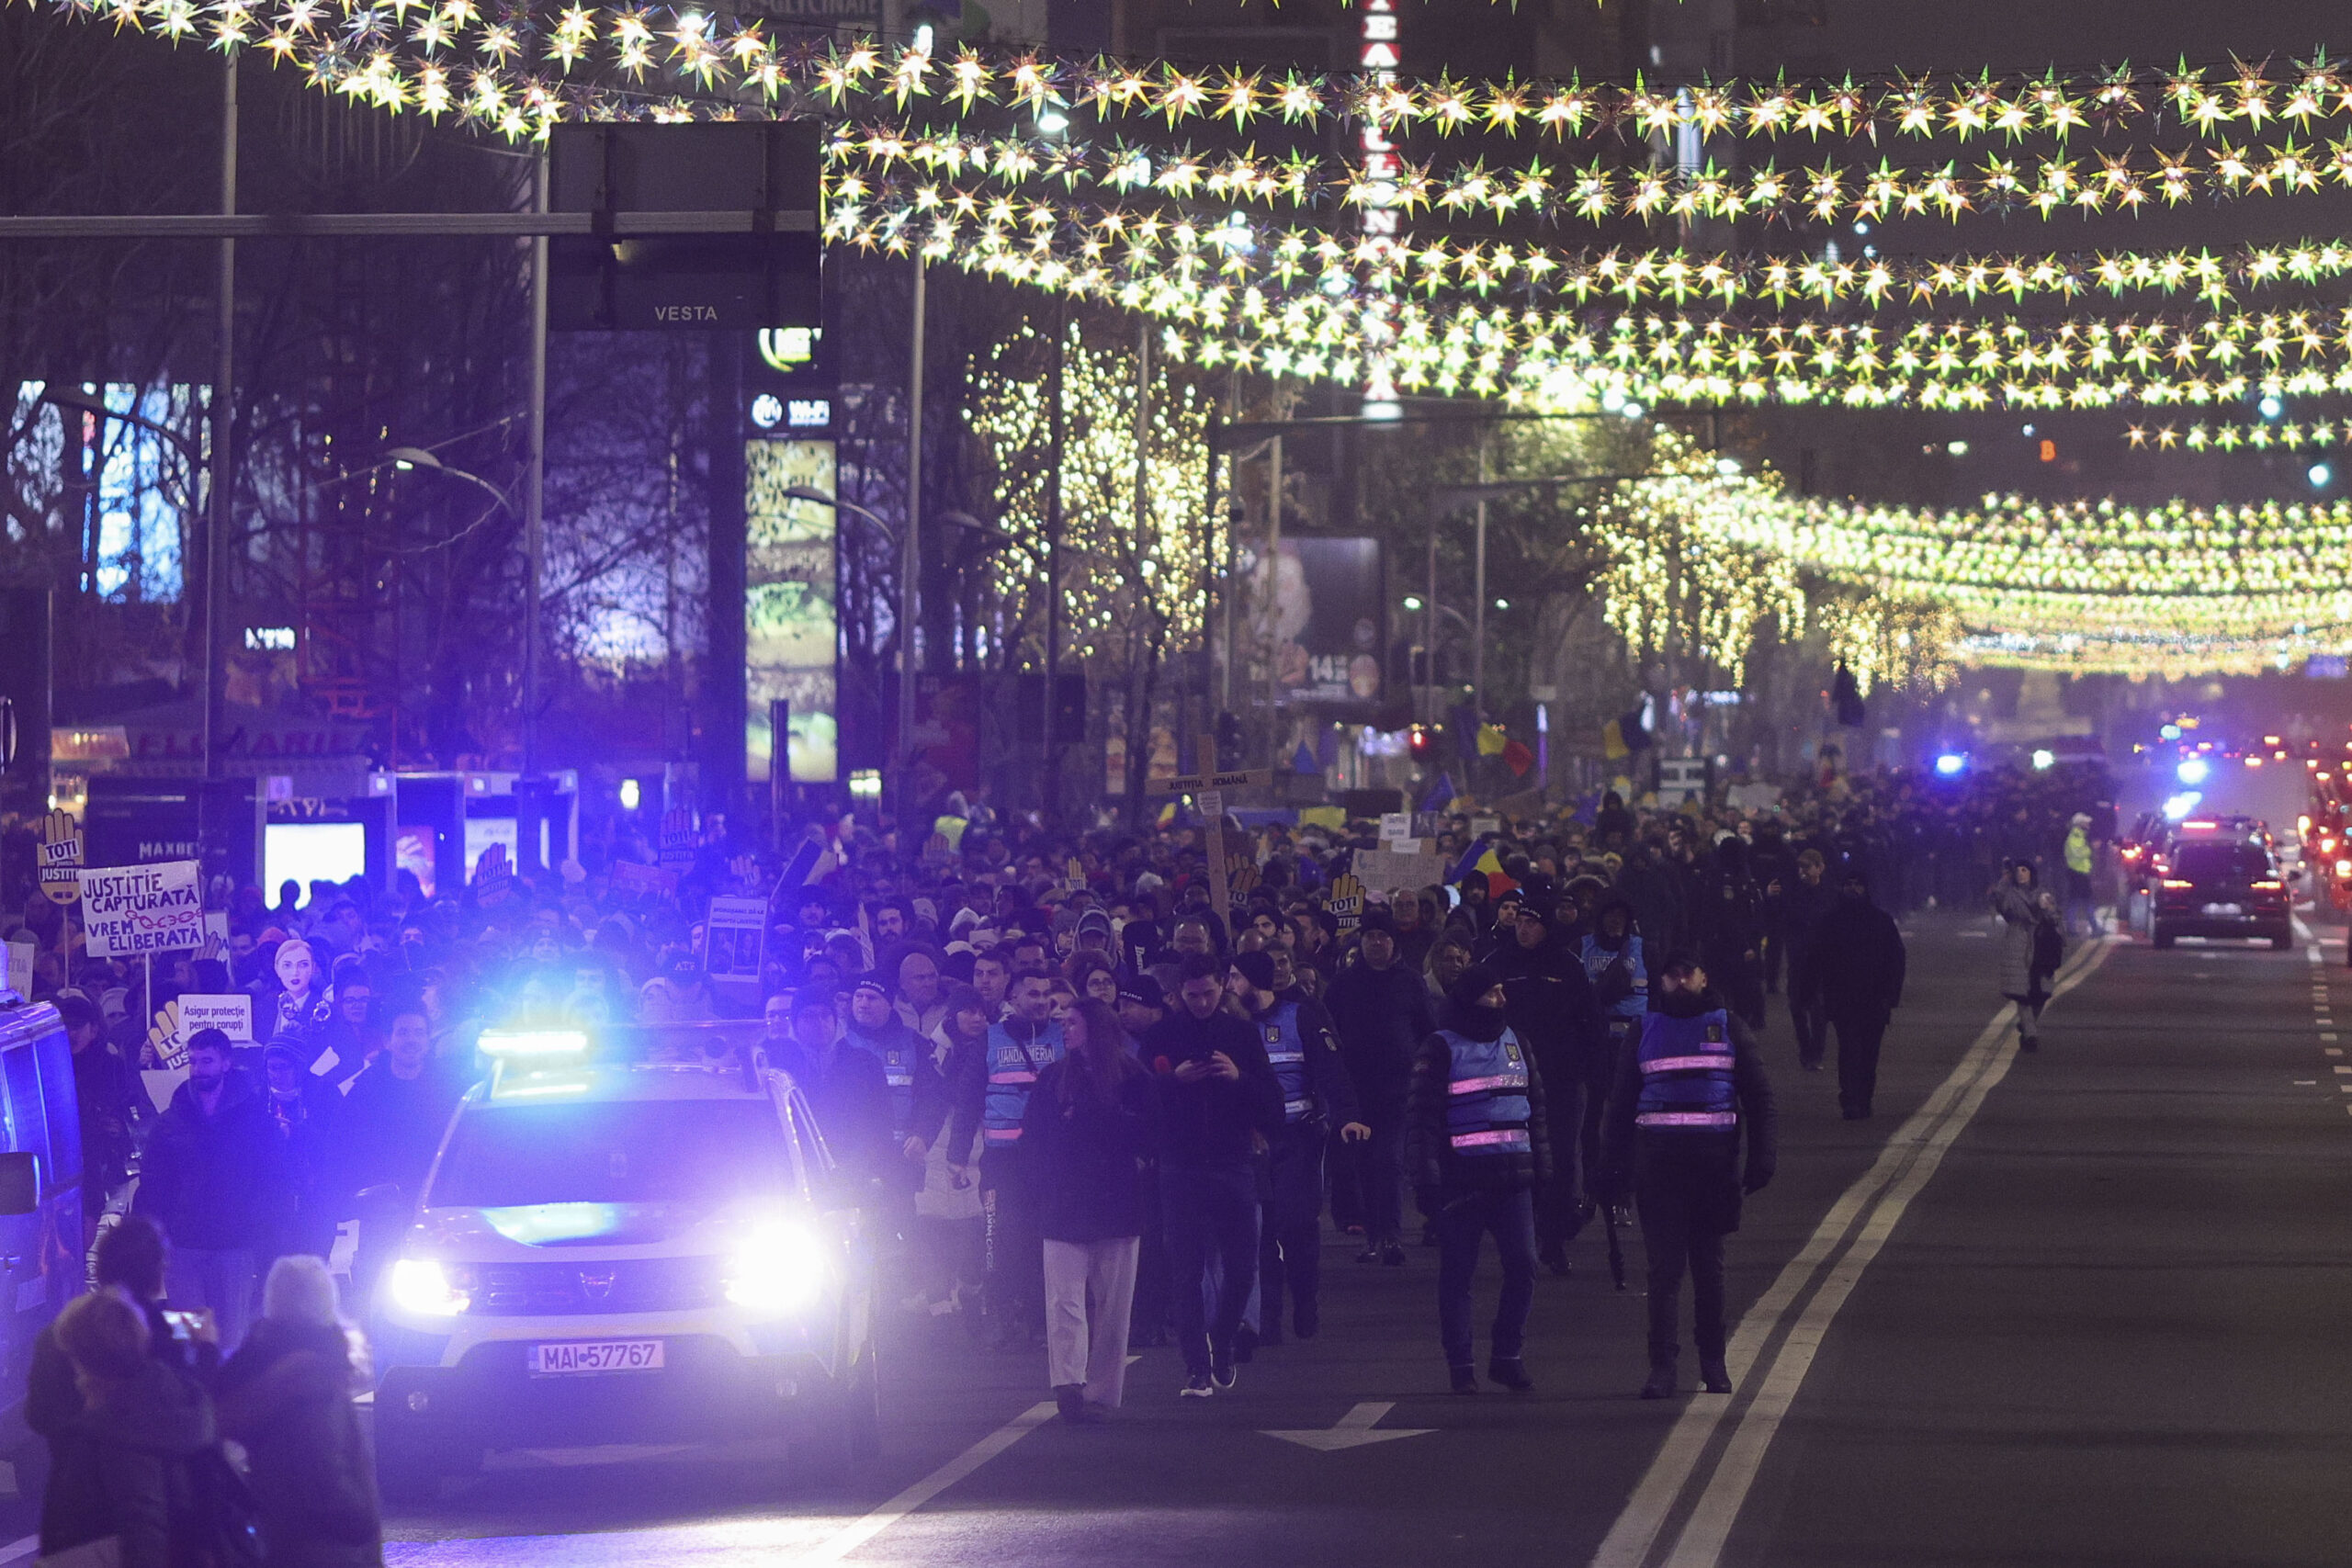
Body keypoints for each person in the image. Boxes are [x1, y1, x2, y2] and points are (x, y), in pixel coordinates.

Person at [1600, 953, 1776, 1400]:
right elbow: (1621, 1105)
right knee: (1664, 1272)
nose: (1680, 981)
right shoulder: (1645, 1030)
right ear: (1662, 981)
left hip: (1712, 1169)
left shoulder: (1729, 1025)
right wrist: (1611, 1168)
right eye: (1672, 974)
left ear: (1703, 976)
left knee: (1708, 1271)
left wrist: (1762, 1157)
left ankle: (1713, 1363)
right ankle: (1662, 1366)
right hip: (1659, 1170)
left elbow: (1758, 1096)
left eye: (1688, 973)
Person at [1405, 964, 1548, 1395]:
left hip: (1512, 1178)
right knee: (1458, 1275)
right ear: (1470, 999)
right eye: (1493, 993)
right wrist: (1427, 1180)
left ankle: (1507, 1357)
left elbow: (1535, 1109)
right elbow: (1421, 1119)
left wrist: (1544, 1169)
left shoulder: (1516, 1042)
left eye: (1502, 991)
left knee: (1524, 1266)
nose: (1502, 1000)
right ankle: (1461, 1365)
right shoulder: (1440, 1048)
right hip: (1462, 1180)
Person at [1141, 953, 1280, 1397]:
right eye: (1192, 995)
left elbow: (1272, 1102)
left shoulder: (1240, 1034)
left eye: (1208, 993)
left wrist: (1238, 1077)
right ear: (1179, 994)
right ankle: (1195, 1366)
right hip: (1180, 1165)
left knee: (1242, 1267)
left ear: (1222, 988)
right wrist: (1172, 1081)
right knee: (1186, 1270)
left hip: (1232, 1162)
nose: (1201, 1002)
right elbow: (1138, 1098)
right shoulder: (1162, 1035)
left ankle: (1222, 1339)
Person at [1020, 998, 1159, 1422]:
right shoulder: (1053, 1078)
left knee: (1114, 1303)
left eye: (1073, 1022)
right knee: (1064, 1300)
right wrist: (1041, 1185)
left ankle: (1101, 1389)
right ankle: (1067, 1383)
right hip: (1065, 1202)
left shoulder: (1133, 1078)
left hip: (1116, 1202)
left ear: (1096, 1027)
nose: (1065, 1029)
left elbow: (1151, 1135)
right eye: (1063, 1023)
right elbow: (1034, 1137)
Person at [1225, 951, 1366, 1343]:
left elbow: (1331, 1070)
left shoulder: (1300, 1016)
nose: (1229, 986)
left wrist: (1347, 1115)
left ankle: (1305, 1298)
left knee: (1296, 1224)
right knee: (1261, 1232)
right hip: (1252, 1143)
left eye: (1235, 978)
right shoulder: (1233, 1027)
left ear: (1255, 981)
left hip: (1298, 1137)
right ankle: (1268, 1317)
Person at [214, 1255, 381, 1566]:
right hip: (329, 1547)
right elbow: (325, 1468)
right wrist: (362, 1521)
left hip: (277, 1536)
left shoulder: (255, 1366)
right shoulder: (314, 1374)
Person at [39, 1289, 219, 1568]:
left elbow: (143, 1530)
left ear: (87, 1360)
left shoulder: (119, 1429)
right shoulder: (175, 1401)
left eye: (73, 1357)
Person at [132, 1028, 284, 1350]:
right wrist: (162, 1230)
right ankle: (193, 1395)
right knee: (189, 1340)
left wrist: (258, 1224)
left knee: (231, 1336)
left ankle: (228, 1397)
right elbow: (153, 1181)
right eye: (194, 1061)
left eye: (207, 1061)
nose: (199, 1069)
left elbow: (271, 1178)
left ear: (226, 1063)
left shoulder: (255, 1120)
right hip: (184, 1247)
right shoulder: (171, 1122)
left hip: (234, 1244)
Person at [28, 1217, 216, 1462]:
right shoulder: (155, 1345)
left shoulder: (57, 1337)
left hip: (71, 1479)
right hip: (147, 1480)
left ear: (99, 1268)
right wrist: (207, 1347)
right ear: (158, 1274)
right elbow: (190, 1415)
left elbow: (37, 1415)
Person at [945, 969, 1065, 1348]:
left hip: (1050, 1160)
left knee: (1046, 1239)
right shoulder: (990, 1039)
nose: (1042, 1001)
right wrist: (957, 1156)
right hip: (1001, 1160)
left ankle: (1039, 1319)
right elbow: (968, 1099)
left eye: (1047, 994)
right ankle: (1000, 1311)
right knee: (999, 1237)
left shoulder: (1063, 1037)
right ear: (1013, 999)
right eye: (1033, 994)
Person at [1324, 910, 1436, 1266]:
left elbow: (1427, 1031)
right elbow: (1329, 1032)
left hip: (1398, 1090)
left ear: (1393, 942)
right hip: (1356, 1092)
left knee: (1388, 1162)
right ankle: (1374, 1236)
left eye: (1382, 936)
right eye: (1370, 936)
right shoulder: (1343, 984)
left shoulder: (1411, 982)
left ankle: (1390, 1235)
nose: (1376, 943)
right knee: (1365, 1164)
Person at [340, 1001, 466, 1303]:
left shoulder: (451, 1090)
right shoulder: (365, 1090)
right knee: (375, 1298)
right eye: (403, 1032)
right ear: (388, 1040)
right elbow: (347, 1149)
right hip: (380, 1211)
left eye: (419, 1033)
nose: (411, 1039)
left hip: (437, 1211)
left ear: (429, 1037)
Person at [1806, 868, 1909, 1119]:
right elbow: (1815, 958)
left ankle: (1865, 1097)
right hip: (1843, 997)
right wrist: (1811, 991)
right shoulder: (1830, 921)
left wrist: (1891, 995)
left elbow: (1896, 959)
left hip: (1874, 998)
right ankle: (1850, 1098)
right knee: (1849, 1049)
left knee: (1869, 1053)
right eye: (1849, 884)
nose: (1854, 889)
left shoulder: (1881, 921)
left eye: (1858, 885)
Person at [772, 987, 895, 1192]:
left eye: (825, 1015)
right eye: (809, 1016)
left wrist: (872, 1167)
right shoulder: (779, 1068)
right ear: (795, 1023)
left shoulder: (865, 1063)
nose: (819, 1023)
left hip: (856, 1176)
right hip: (798, 1179)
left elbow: (882, 1121)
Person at [1775, 850, 1839, 1072]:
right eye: (1800, 867)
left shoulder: (1831, 893)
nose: (1802, 872)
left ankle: (1816, 1053)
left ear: (1820, 868)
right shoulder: (1794, 893)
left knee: (1818, 1008)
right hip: (1798, 955)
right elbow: (1784, 917)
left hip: (1821, 958)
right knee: (1796, 1006)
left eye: (1807, 867)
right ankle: (1805, 1049)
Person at [1991, 862, 2061, 1052]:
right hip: (2018, 944)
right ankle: (2031, 1034)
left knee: (2042, 992)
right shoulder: (2010, 893)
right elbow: (2002, 906)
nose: (2021, 874)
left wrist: (2048, 909)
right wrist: (2004, 881)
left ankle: (2028, 1025)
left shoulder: (2042, 893)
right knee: (2023, 994)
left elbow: (2055, 917)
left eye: (2025, 870)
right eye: (2018, 870)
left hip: (2040, 945)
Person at [2062, 811, 2099, 937]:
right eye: (2085, 822)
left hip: (2080, 873)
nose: (2088, 824)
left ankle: (2077, 928)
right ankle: (2090, 927)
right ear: (2079, 824)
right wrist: (2090, 849)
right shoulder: (2075, 837)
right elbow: (2077, 853)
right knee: (2082, 901)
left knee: (2078, 901)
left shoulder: (2080, 836)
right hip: (2078, 874)